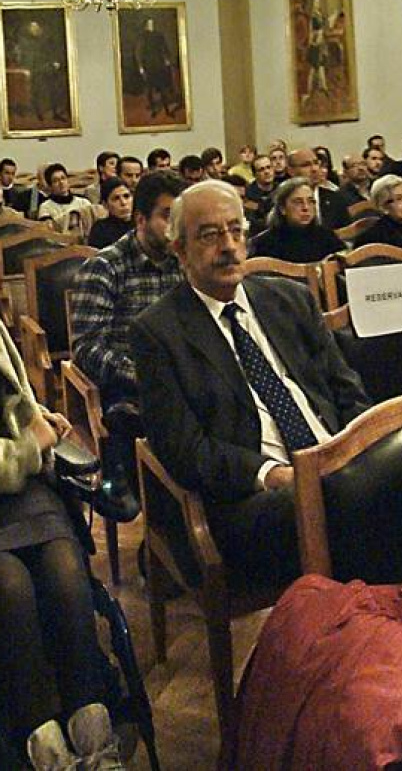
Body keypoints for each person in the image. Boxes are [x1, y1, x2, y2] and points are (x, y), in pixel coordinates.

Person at [134, 180, 370, 594]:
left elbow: (346, 388)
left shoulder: (290, 299)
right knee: (339, 509)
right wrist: (271, 474)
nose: (228, 245)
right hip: (248, 498)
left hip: (334, 461)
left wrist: (354, 449)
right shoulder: (158, 332)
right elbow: (185, 450)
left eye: (236, 230)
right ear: (179, 250)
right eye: (210, 235)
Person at [0, 316, 126, 771]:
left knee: (66, 572)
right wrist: (26, 448)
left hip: (21, 488)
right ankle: (48, 754)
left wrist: (37, 419)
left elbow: (12, 394)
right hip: (11, 470)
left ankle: (96, 739)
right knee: (11, 589)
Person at [70, 171, 186, 516]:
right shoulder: (105, 267)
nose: (175, 226)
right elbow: (87, 347)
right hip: (130, 386)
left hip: (185, 378)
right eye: (167, 216)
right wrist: (144, 374)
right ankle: (151, 512)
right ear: (140, 219)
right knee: (132, 416)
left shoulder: (186, 262)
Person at [250, 178, 344, 264]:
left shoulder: (327, 237)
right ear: (282, 208)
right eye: (298, 202)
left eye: (311, 201)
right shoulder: (265, 244)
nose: (306, 208)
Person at [285, 148, 350, 230]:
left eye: (316, 163)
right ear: (291, 171)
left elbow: (348, 232)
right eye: (306, 165)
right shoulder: (283, 200)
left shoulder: (335, 198)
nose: (314, 169)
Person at [33, 164, 93, 237]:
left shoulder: (83, 202)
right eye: (55, 181)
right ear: (50, 186)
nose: (61, 182)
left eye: (63, 178)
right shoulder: (45, 207)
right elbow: (48, 233)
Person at [87, 178, 132, 249]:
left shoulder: (143, 223)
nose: (123, 202)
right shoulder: (100, 229)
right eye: (116, 198)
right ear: (105, 205)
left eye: (126, 196)